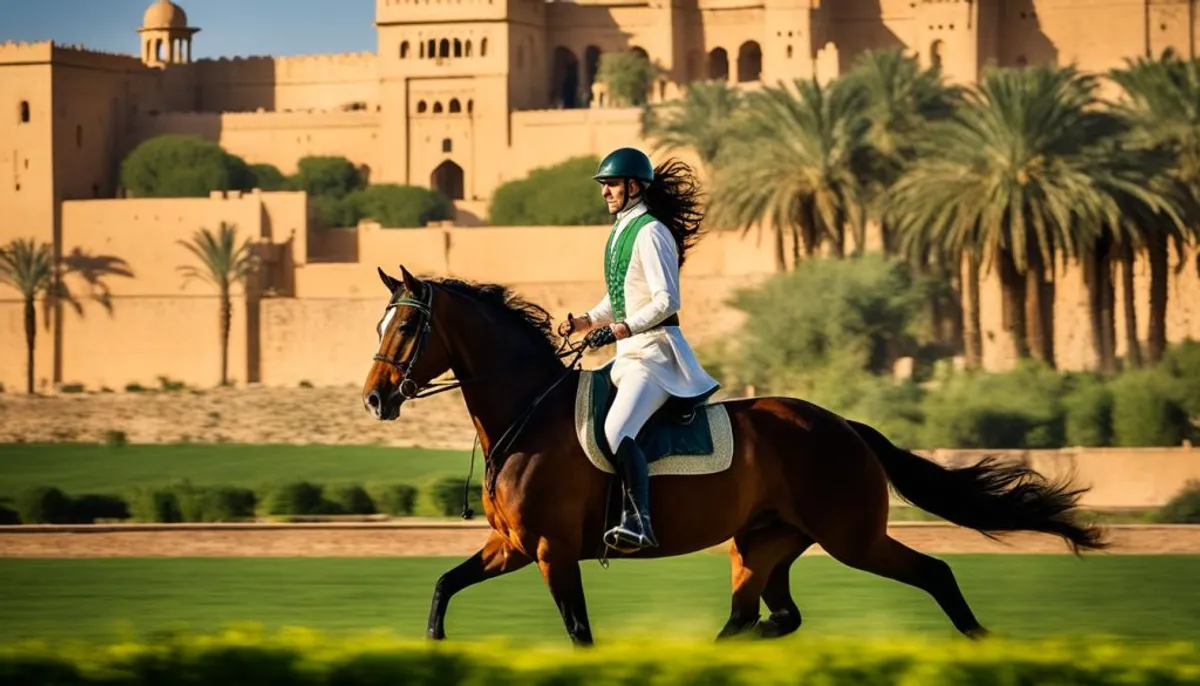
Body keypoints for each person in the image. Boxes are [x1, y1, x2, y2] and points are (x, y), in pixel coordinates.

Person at [558, 146, 720, 553]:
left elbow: (667, 301)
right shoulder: (621, 233)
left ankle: (639, 521)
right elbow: (621, 296)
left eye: (611, 185)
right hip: (628, 356)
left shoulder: (651, 231)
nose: (605, 193)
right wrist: (586, 322)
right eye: (604, 186)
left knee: (616, 430)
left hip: (655, 355)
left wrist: (619, 329)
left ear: (633, 186)